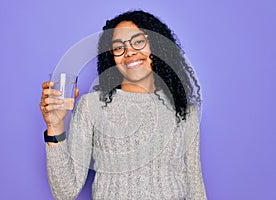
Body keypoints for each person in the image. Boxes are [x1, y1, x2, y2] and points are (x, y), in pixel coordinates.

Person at [40, 10, 207, 200]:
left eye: (138, 41)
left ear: (156, 45)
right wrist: (55, 127)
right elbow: (65, 193)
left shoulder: (184, 110)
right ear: (112, 57)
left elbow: (195, 186)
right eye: (119, 47)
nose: (129, 52)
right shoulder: (91, 106)